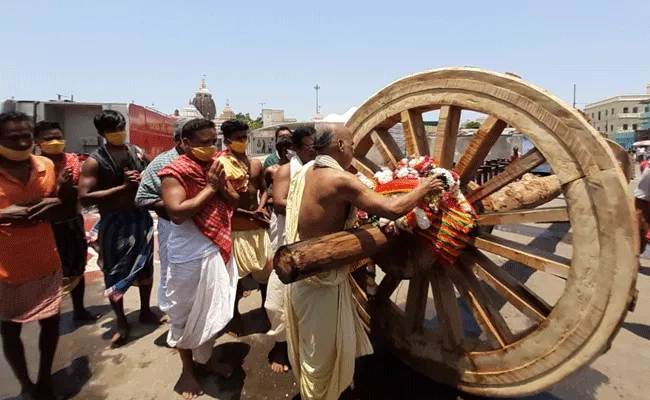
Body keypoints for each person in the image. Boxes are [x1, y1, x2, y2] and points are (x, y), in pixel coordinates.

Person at [284, 124, 444, 400]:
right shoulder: (338, 179)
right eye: (353, 144)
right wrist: (424, 187)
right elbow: (392, 209)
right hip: (321, 282)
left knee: (318, 349)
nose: (354, 151)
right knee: (320, 358)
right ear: (341, 146)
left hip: (307, 278)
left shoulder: (305, 172)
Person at [159, 118, 239, 399]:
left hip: (216, 248)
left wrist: (220, 185)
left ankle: (208, 358)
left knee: (213, 311)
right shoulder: (174, 173)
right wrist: (210, 187)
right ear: (184, 143)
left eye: (212, 141)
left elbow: (236, 201)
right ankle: (188, 371)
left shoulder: (216, 166)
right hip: (188, 255)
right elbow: (178, 213)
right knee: (183, 313)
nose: (209, 147)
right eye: (203, 142)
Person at [78, 110, 163, 347]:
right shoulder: (95, 161)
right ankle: (122, 321)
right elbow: (84, 197)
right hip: (114, 224)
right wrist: (122, 188)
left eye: (121, 127)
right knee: (114, 273)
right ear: (101, 133)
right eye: (113, 129)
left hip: (140, 219)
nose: (119, 133)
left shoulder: (136, 152)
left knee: (145, 270)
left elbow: (154, 174)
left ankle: (146, 310)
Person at [0, 112, 65, 400]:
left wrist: (56, 200)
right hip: (5, 270)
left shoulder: (46, 165)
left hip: (46, 261)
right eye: (13, 137)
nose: (23, 141)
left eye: (26, 135)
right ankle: (26, 384)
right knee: (10, 331)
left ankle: (44, 377)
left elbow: (63, 207)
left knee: (51, 324)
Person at [34, 121, 99, 323]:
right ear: (37, 141)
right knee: (48, 272)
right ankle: (48, 312)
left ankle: (79, 309)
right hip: (46, 227)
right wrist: (61, 190)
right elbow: (33, 200)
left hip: (71, 221)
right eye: (49, 139)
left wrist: (63, 191)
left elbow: (79, 193)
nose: (55, 142)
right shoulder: (33, 165)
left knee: (77, 267)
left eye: (58, 137)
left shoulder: (71, 159)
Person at [265, 125, 316, 373]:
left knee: (308, 300)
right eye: (309, 146)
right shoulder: (286, 170)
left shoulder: (320, 169)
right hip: (287, 239)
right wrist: (314, 207)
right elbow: (278, 202)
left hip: (312, 238)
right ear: (296, 148)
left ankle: (305, 346)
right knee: (276, 303)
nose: (314, 150)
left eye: (317, 145)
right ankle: (280, 344)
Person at [217, 119, 273, 335]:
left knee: (266, 274)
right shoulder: (220, 164)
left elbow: (264, 190)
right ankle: (234, 317)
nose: (243, 141)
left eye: (245, 137)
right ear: (228, 140)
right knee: (235, 280)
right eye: (239, 138)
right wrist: (250, 213)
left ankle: (266, 309)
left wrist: (260, 208)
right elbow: (222, 200)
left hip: (258, 227)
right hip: (235, 229)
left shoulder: (256, 164)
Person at [135, 118, 190, 314]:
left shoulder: (203, 160)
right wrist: (170, 205)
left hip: (200, 224)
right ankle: (171, 312)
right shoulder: (163, 162)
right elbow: (142, 198)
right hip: (172, 226)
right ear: (178, 140)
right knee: (172, 270)